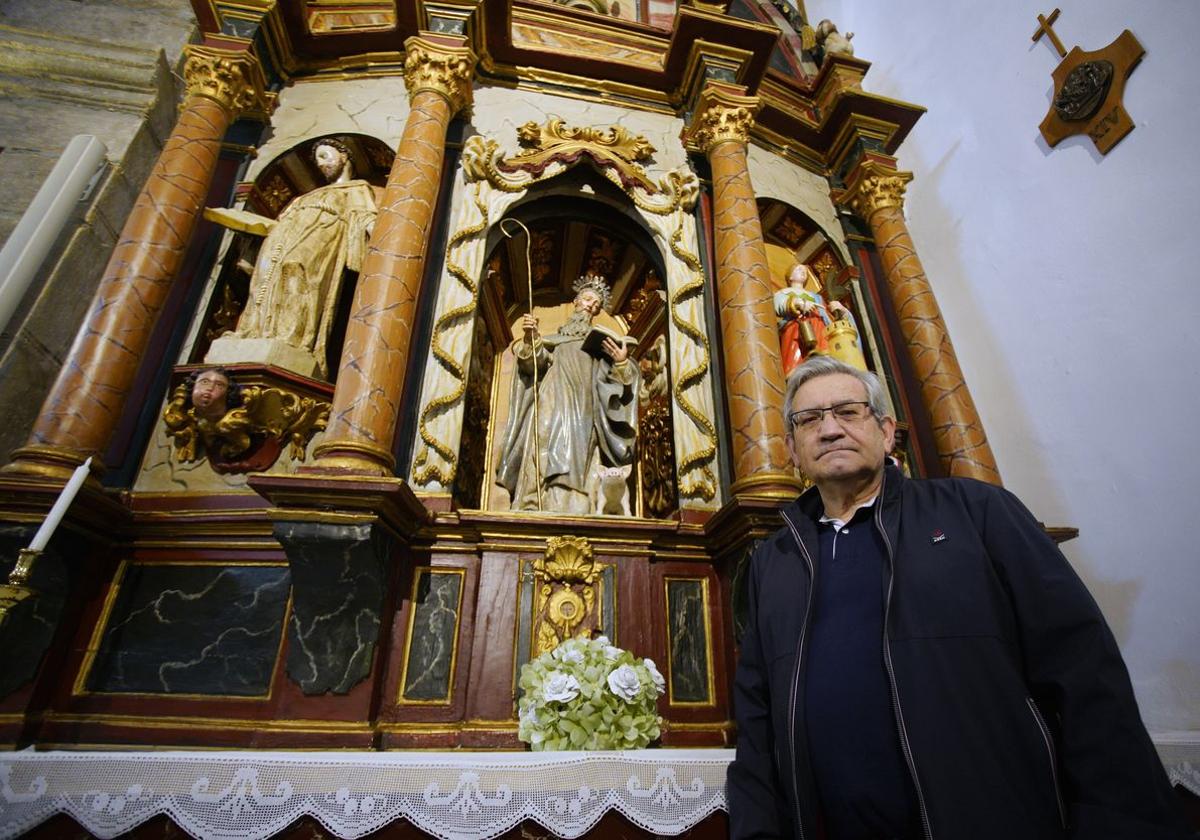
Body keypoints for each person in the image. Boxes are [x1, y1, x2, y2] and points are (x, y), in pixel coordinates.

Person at [727, 355, 1192, 839]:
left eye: (848, 412)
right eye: (810, 420)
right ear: (791, 450)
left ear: (886, 432)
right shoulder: (774, 562)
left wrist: (1115, 822)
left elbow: (1082, 670)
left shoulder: (978, 513)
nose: (829, 430)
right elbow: (757, 723)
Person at [206, 138, 379, 378]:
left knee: (298, 274)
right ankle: (253, 331)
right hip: (283, 235)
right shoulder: (306, 196)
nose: (321, 164)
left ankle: (294, 339)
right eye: (318, 159)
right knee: (265, 279)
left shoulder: (357, 188)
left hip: (320, 233)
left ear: (344, 156)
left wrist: (382, 242)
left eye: (325, 156)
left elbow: (365, 216)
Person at [495, 274, 640, 514]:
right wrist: (533, 339)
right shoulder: (556, 340)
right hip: (552, 395)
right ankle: (533, 501)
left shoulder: (600, 346)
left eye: (595, 305)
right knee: (540, 439)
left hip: (584, 404)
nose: (590, 307)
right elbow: (534, 364)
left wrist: (621, 363)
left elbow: (616, 384)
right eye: (586, 300)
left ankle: (574, 505)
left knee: (578, 452)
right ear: (576, 301)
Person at [774, 263, 855, 376]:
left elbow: (828, 319)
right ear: (790, 277)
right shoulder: (782, 293)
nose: (803, 271)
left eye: (805, 271)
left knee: (825, 363)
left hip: (819, 328)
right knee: (797, 371)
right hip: (796, 329)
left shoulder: (817, 297)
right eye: (798, 269)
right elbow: (778, 306)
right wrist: (798, 303)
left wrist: (841, 310)